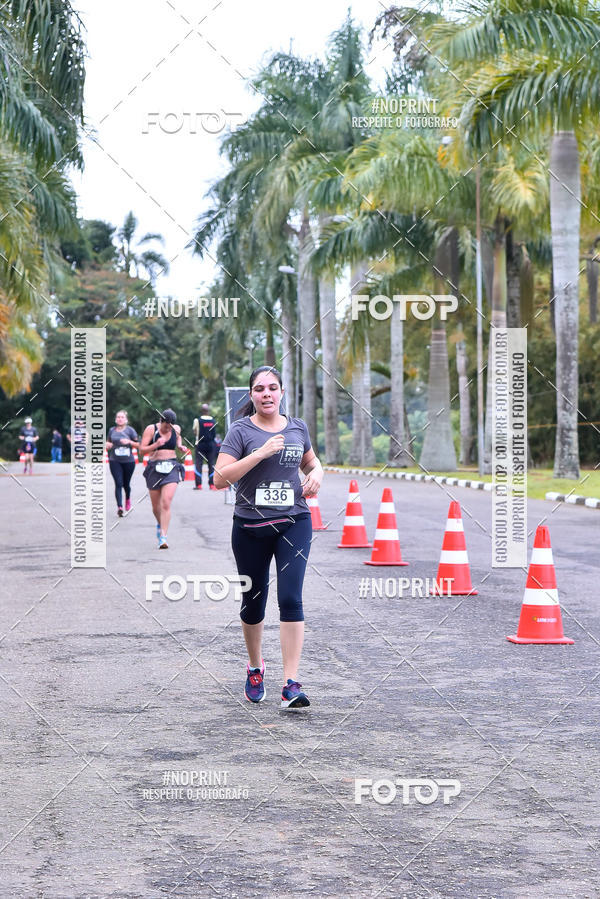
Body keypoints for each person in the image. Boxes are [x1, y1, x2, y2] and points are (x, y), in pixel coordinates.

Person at [214, 366, 323, 710]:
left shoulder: (297, 428)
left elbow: (311, 461)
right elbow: (219, 479)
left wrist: (317, 472)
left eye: (272, 388)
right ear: (251, 395)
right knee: (253, 603)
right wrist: (259, 453)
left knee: (290, 598)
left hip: (295, 520)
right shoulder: (240, 431)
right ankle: (256, 666)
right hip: (250, 527)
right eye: (259, 389)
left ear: (281, 393)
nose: (266, 394)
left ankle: (291, 683)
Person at [139, 409, 186, 548]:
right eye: (166, 425)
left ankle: (163, 537)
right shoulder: (151, 429)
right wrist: (156, 445)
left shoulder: (176, 428)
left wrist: (180, 446)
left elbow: (178, 440)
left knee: (166, 502)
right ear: (161, 421)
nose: (168, 428)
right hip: (154, 467)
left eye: (171, 425)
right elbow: (142, 450)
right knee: (156, 506)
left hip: (171, 466)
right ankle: (160, 524)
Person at [106, 410, 139, 516]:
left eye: (122, 417)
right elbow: (108, 442)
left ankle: (128, 498)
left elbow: (139, 445)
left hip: (128, 461)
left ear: (126, 420)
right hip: (114, 461)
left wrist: (129, 442)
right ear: (116, 419)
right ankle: (120, 507)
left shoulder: (130, 431)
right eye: (118, 417)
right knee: (118, 483)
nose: (120, 419)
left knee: (126, 484)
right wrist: (108, 445)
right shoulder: (112, 430)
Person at [192, 403, 218, 490]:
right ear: (208, 411)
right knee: (211, 464)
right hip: (211, 445)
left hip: (200, 445)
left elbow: (195, 432)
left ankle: (199, 485)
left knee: (198, 464)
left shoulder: (197, 420)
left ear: (201, 411)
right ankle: (212, 485)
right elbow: (214, 434)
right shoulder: (213, 421)